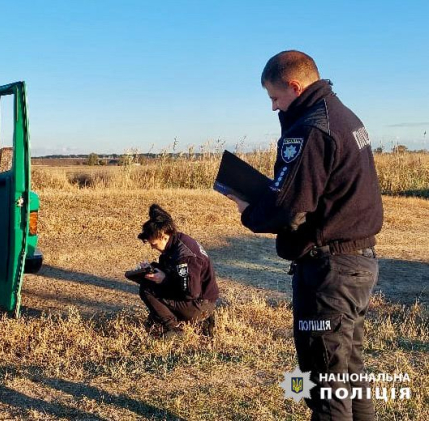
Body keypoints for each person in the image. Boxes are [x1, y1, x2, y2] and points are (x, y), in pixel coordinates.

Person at [227, 50, 383, 420]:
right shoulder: (342, 116)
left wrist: (250, 211)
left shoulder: (311, 129)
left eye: (275, 98)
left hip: (331, 269)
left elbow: (290, 207)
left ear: (295, 87)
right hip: (355, 262)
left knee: (325, 386)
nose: (273, 107)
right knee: (348, 373)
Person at [137, 204, 219, 338]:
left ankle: (174, 330)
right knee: (150, 285)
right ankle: (163, 320)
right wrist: (152, 269)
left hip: (199, 305)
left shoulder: (185, 257)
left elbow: (189, 293)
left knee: (147, 290)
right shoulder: (177, 241)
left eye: (154, 244)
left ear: (163, 236)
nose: (152, 248)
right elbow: (174, 272)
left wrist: (164, 280)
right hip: (202, 301)